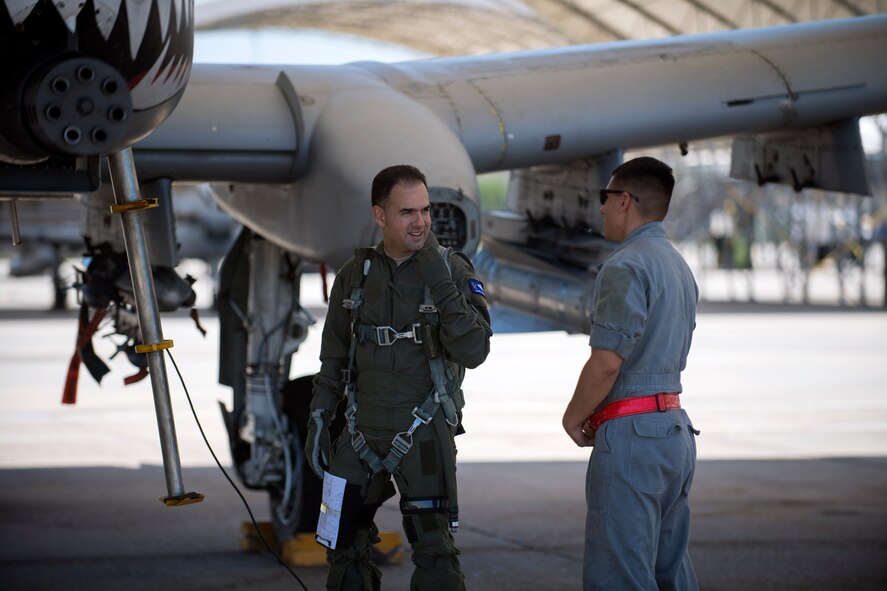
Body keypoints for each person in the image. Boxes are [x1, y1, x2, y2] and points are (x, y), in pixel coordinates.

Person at [306, 164, 492, 590]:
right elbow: (333, 358)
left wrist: (439, 280)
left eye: (426, 210)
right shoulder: (355, 276)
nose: (421, 222)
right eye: (408, 212)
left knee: (436, 553)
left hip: (423, 432)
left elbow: (474, 352)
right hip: (359, 431)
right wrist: (318, 417)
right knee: (342, 548)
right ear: (380, 216)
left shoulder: (452, 269)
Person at [561, 156, 700, 590]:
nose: (599, 208)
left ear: (624, 201)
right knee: (671, 573)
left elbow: (606, 362)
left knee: (619, 576)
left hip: (633, 437)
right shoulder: (678, 265)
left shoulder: (625, 265)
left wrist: (572, 416)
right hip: (675, 431)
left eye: (605, 198)